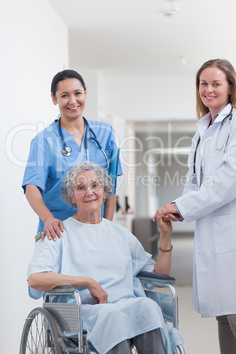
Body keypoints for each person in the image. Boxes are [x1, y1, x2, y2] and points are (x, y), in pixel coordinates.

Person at [154, 59, 236, 354]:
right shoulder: (203, 130)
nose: (208, 89)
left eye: (216, 83)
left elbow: (227, 182)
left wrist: (180, 206)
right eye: (203, 84)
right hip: (213, 234)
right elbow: (196, 182)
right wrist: (177, 207)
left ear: (230, 87)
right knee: (223, 316)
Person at [27, 161, 183, 354]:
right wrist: (86, 282)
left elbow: (158, 277)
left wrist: (165, 236)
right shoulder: (58, 232)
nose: (89, 192)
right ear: (72, 197)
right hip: (82, 312)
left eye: (95, 185)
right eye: (81, 188)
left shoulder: (120, 234)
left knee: (148, 306)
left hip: (124, 307)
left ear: (105, 191)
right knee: (114, 316)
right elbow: (35, 279)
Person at [22, 69, 122, 241]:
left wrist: (108, 225)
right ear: (54, 99)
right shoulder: (43, 141)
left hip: (96, 228)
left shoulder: (105, 133)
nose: (73, 101)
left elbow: (111, 184)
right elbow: (31, 188)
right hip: (60, 230)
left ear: (85, 94)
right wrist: (48, 220)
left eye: (77, 93)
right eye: (64, 95)